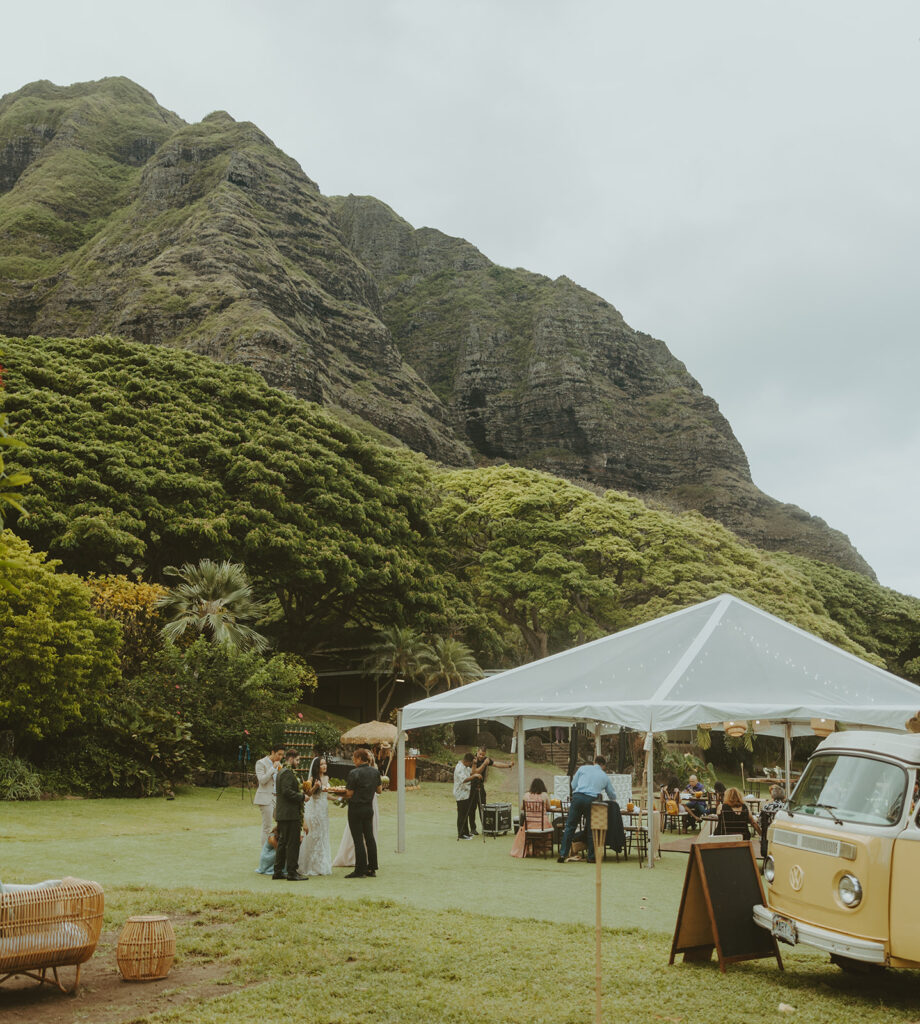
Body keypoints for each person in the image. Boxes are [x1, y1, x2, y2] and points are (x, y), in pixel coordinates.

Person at [558, 755, 617, 864]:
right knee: (592, 828)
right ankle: (591, 857)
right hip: (592, 800)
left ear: (594, 762)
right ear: (603, 765)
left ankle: (563, 853)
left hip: (578, 797)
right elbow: (612, 795)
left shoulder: (583, 768)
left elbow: (573, 784)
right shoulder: (604, 776)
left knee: (570, 826)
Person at [343, 748, 382, 878]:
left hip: (356, 809)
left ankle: (360, 869)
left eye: (354, 758)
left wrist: (339, 794)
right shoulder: (375, 772)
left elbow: (349, 793)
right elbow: (379, 790)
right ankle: (372, 868)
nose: (353, 761)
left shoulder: (354, 773)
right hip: (368, 808)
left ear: (359, 759)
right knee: (370, 838)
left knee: (358, 839)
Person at [298, 755, 337, 877]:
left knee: (323, 835)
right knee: (314, 836)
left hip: (324, 811)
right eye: (321, 764)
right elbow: (307, 794)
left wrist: (338, 798)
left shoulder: (326, 777)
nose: (324, 766)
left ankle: (322, 864)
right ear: (317, 766)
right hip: (314, 810)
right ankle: (310, 865)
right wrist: (315, 786)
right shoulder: (311, 778)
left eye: (325, 763)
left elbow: (326, 795)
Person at [273, 750, 308, 881]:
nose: (298, 763)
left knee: (282, 842)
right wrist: (303, 797)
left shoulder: (281, 771)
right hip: (290, 813)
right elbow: (287, 792)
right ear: (291, 759)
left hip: (283, 813)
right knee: (293, 843)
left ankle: (278, 871)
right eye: (297, 760)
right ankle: (292, 872)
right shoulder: (287, 772)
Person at [467, 746, 514, 836]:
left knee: (483, 808)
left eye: (483, 755)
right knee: (472, 809)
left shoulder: (486, 759)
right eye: (480, 754)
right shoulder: (473, 760)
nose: (481, 756)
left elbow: (496, 764)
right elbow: (475, 773)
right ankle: (473, 829)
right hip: (472, 786)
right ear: (477, 752)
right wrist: (484, 764)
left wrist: (508, 765)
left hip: (481, 786)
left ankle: (485, 828)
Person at [510, 778, 550, 857]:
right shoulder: (544, 795)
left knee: (523, 830)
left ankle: (530, 847)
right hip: (542, 825)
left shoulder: (526, 795)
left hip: (529, 825)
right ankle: (539, 848)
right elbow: (548, 807)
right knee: (549, 828)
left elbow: (522, 807)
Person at [254, 743, 284, 848]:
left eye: (282, 755)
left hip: (277, 798)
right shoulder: (261, 763)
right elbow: (262, 780)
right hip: (265, 798)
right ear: (272, 752)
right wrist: (273, 768)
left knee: (282, 822)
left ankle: (277, 846)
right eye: (278, 754)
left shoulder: (280, 764)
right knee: (267, 826)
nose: (280, 757)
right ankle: (265, 852)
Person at [454, 752, 476, 840]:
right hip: (460, 793)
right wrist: (475, 776)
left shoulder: (466, 767)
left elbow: (472, 772)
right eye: (471, 763)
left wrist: (475, 764)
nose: (470, 765)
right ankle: (461, 833)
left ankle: (466, 832)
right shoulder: (459, 767)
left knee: (466, 813)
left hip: (466, 793)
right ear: (467, 761)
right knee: (461, 814)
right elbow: (464, 779)